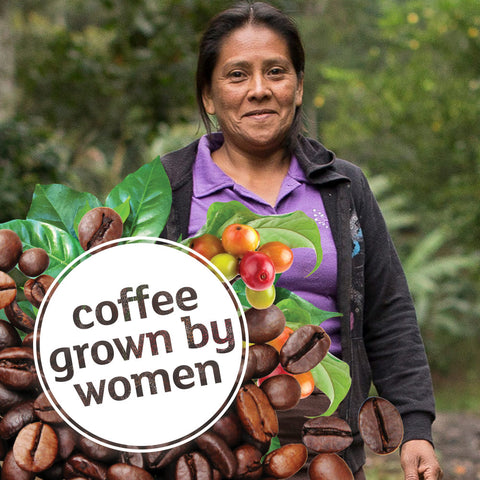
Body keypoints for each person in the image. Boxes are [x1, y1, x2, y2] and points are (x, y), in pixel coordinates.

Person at [160, 2, 443, 479]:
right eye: (236, 75)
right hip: (208, 445)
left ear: (298, 86)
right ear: (208, 96)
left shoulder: (343, 188)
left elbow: (387, 308)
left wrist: (416, 426)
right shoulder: (168, 189)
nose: (259, 90)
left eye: (276, 71)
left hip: (326, 443)